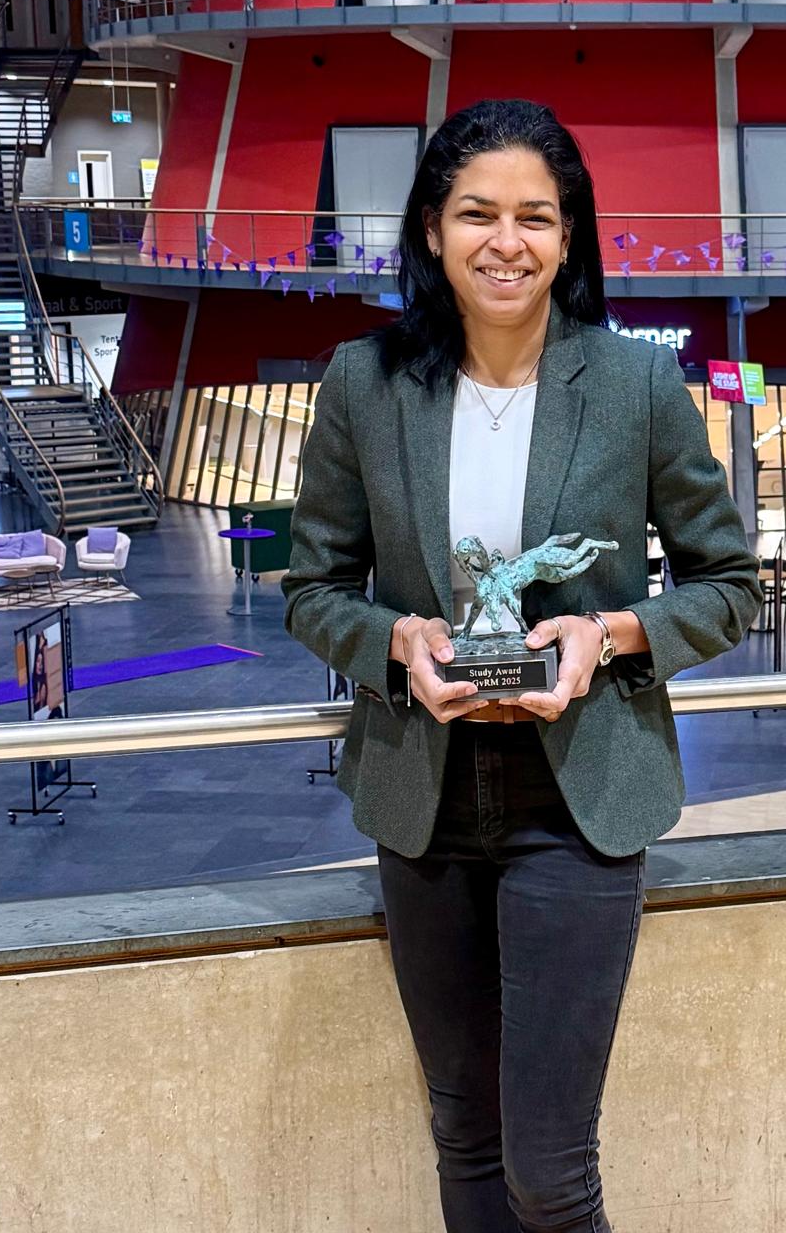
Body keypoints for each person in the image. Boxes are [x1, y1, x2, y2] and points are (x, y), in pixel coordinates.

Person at [283, 98, 761, 1233]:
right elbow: (312, 588)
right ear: (432, 229)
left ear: (569, 235)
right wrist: (396, 643)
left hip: (575, 801)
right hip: (425, 797)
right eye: (478, 213)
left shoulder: (635, 385)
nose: (507, 242)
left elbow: (730, 583)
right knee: (464, 1134)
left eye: (536, 217)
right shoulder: (364, 383)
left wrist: (614, 633)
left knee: (549, 1171)